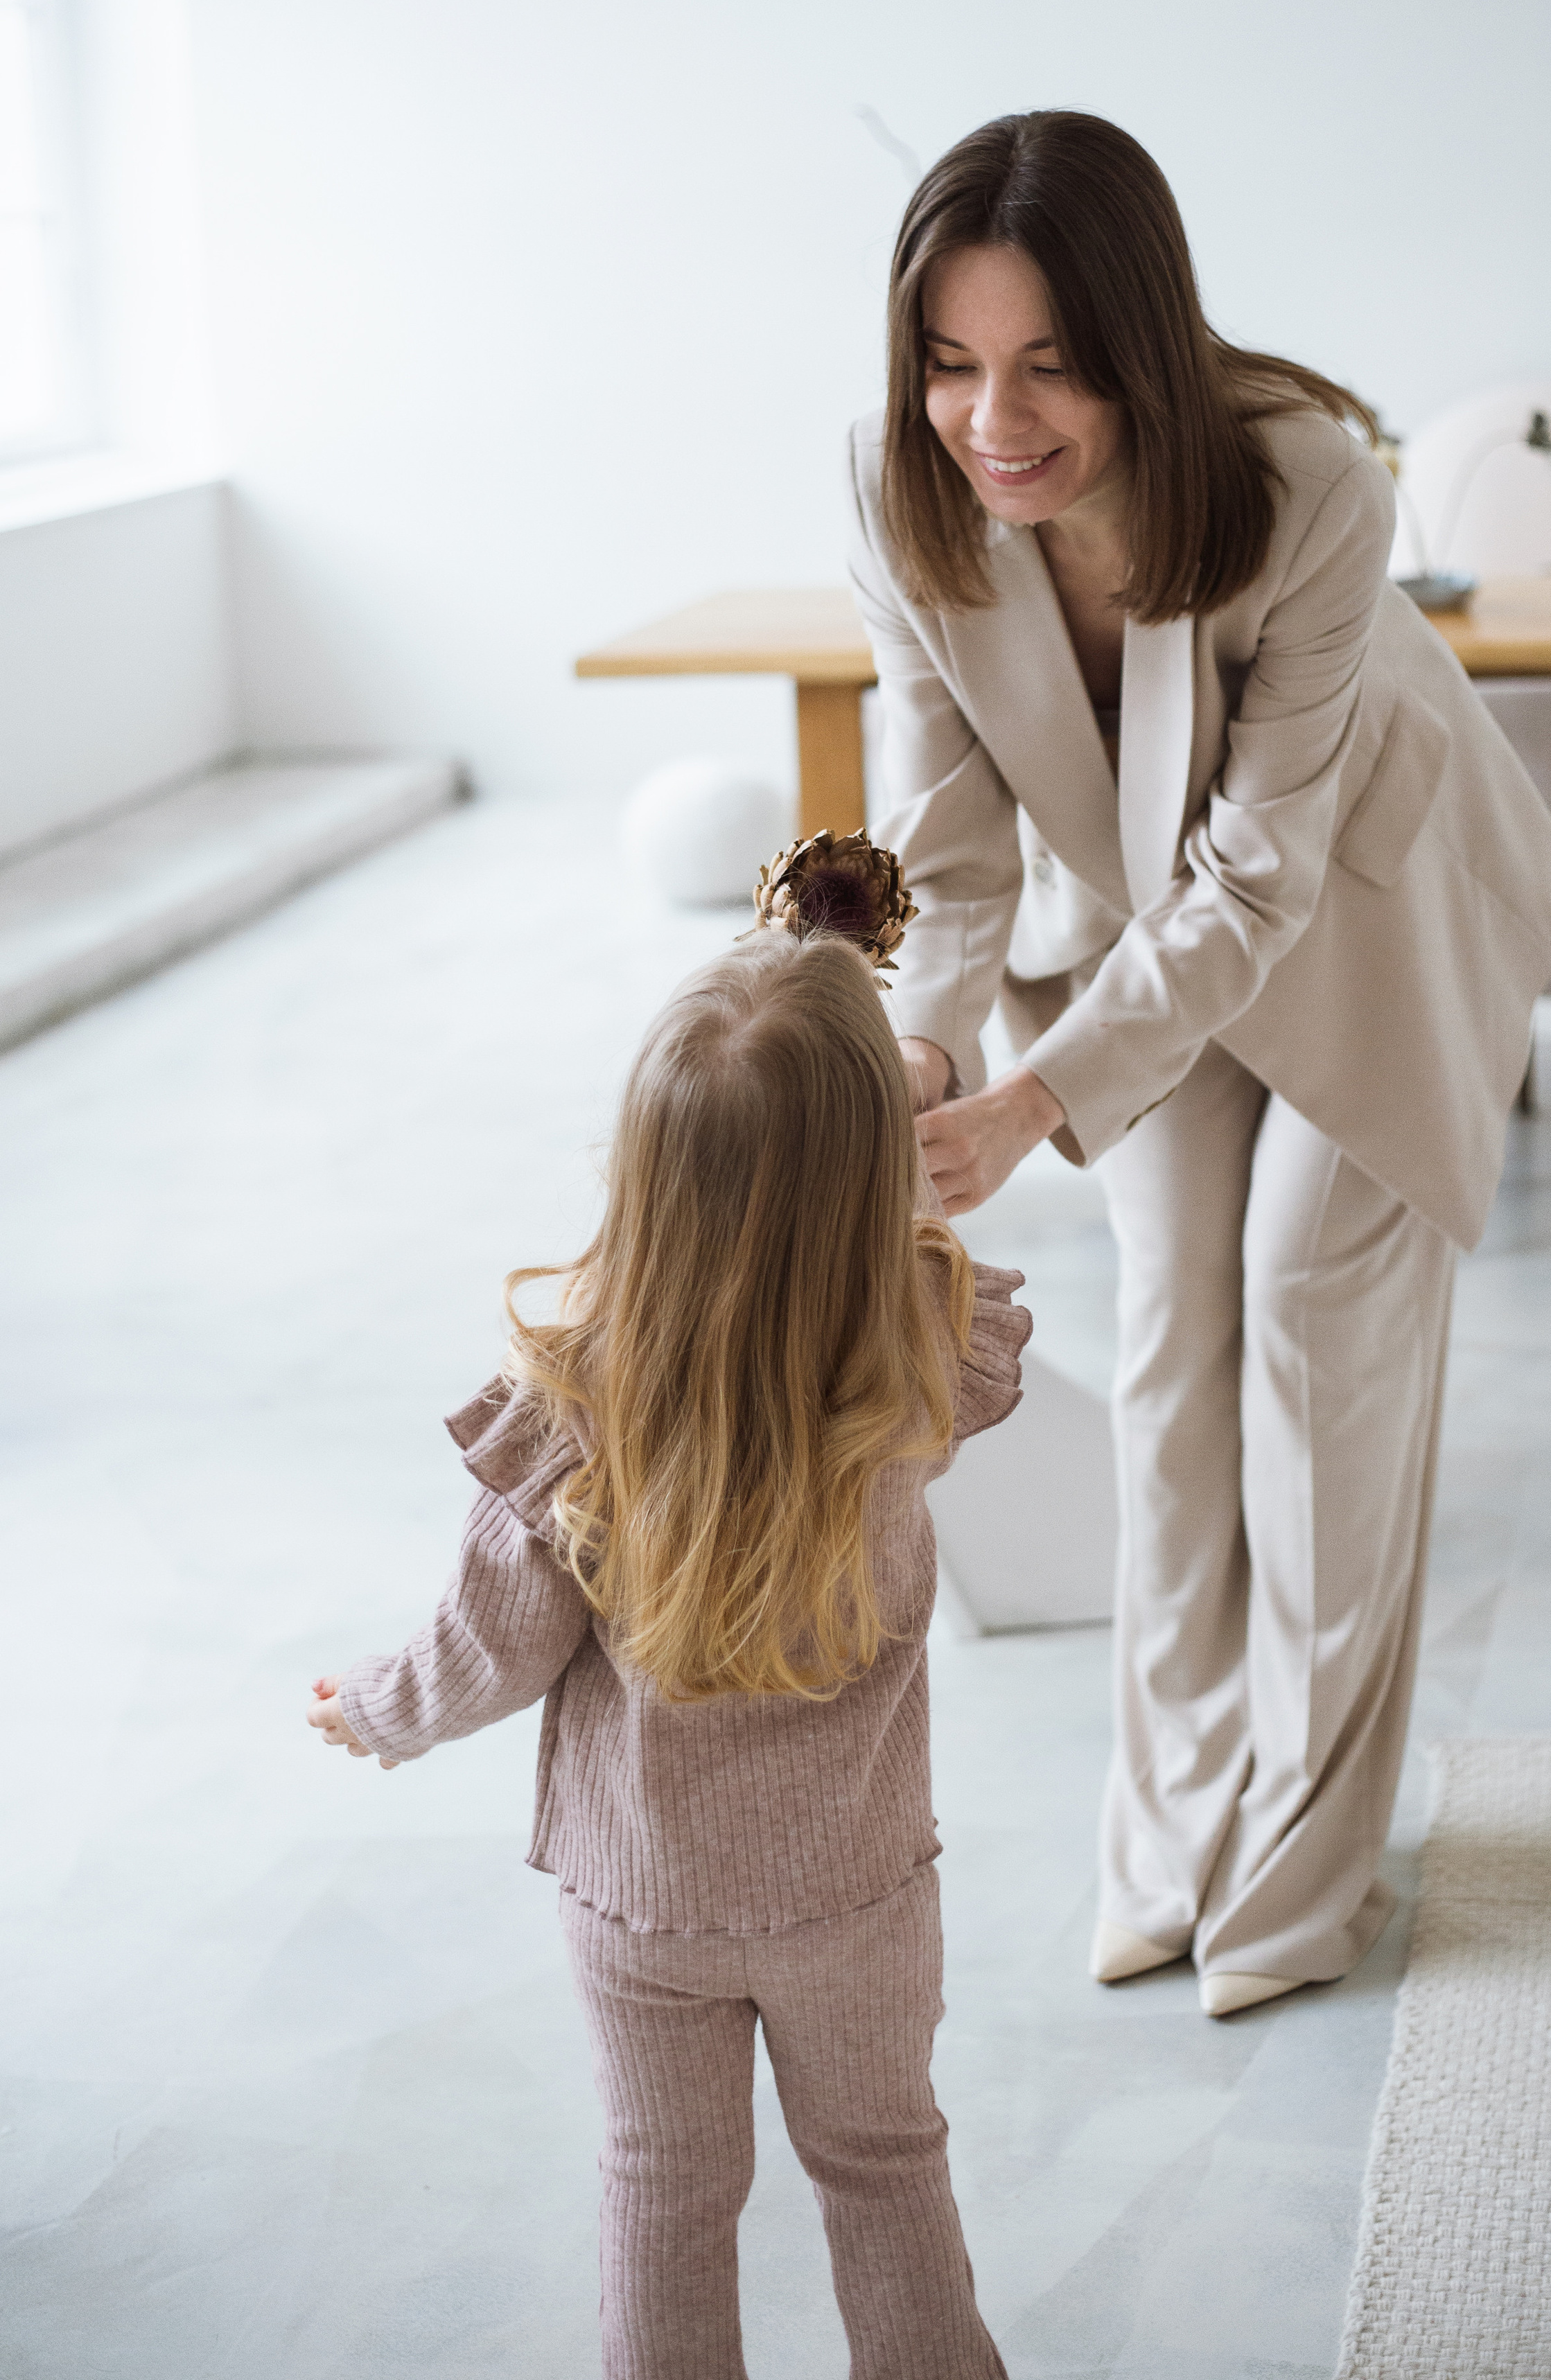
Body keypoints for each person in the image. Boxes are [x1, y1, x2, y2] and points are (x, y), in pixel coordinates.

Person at [845, 109, 1551, 2018]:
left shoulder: (1307, 478)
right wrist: (926, 1062)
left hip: (1366, 912)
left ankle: (1306, 1873)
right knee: (1172, 1339)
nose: (993, 422)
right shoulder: (892, 489)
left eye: (1051, 367)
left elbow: (1259, 875)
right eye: (950, 364)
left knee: (1309, 1328)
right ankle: (1169, 1835)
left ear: (1142, 347)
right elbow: (947, 844)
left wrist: (1033, 1105)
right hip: (1134, 944)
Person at [305, 922, 1030, 2379]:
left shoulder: (576, 1404)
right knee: (888, 2170)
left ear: (639, 1174)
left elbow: (491, 1645)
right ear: (872, 1175)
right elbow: (880, 1231)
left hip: (644, 1905)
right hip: (860, 1889)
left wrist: (377, 1712)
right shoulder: (920, 1348)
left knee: (663, 2196)